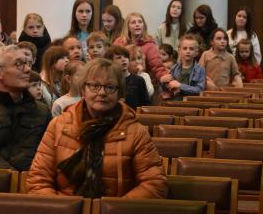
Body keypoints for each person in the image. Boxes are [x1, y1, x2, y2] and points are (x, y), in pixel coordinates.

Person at [26, 58, 167, 198]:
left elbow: (154, 184)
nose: (102, 93)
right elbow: (38, 180)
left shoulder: (136, 132)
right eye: (94, 86)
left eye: (110, 87)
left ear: (120, 93)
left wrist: (113, 209)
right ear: (83, 90)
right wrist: (63, 208)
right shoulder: (58, 125)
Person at [0, 45, 51, 170]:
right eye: (19, 64)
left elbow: (48, 154)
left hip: (35, 182)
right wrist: (14, 179)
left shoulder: (42, 111)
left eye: (28, 63)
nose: (28, 69)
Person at [114, 12, 171, 88]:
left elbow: (157, 67)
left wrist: (163, 76)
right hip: (120, 81)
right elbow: (111, 62)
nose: (137, 24)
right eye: (133, 22)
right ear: (127, 26)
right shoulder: (119, 42)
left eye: (140, 22)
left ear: (144, 25)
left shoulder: (150, 45)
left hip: (142, 83)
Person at [161, 34, 206, 100]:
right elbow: (168, 88)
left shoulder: (200, 70)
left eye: (191, 49)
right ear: (179, 50)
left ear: (196, 52)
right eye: (185, 48)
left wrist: (180, 86)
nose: (188, 51)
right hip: (175, 103)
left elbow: (199, 90)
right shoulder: (175, 68)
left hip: (192, 104)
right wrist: (162, 81)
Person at [105, 46, 150, 110]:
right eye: (119, 58)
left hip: (135, 117)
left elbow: (146, 104)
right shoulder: (108, 81)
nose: (124, 59)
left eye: (126, 56)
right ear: (111, 62)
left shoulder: (138, 80)